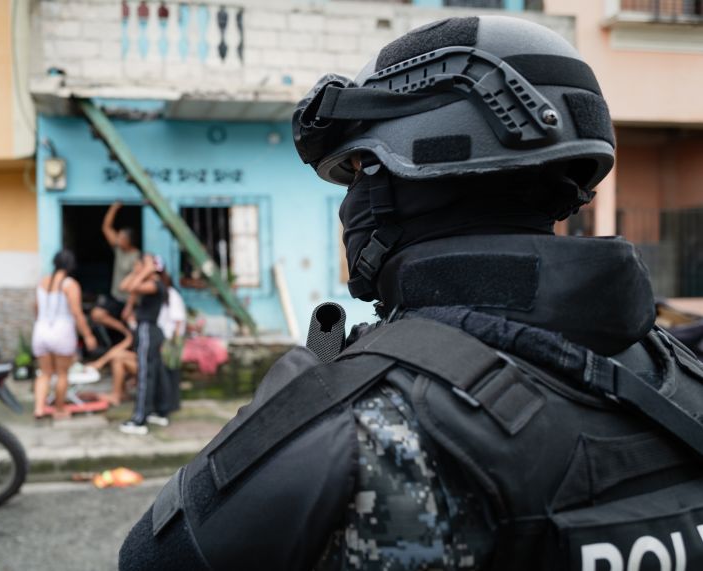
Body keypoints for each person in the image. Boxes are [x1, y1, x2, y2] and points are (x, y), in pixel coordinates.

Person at [119, 16, 703, 570]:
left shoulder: (366, 423)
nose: (350, 205)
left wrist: (304, 385)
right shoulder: (682, 376)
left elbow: (151, 557)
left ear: (416, 168)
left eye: (359, 173)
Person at [32, 250, 97, 419]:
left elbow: (36, 307)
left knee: (44, 373)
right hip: (62, 331)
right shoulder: (70, 284)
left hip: (41, 330)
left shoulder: (42, 281)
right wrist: (88, 335)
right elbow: (77, 312)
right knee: (62, 373)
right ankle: (59, 409)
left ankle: (39, 408)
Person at [118, 254, 168, 435]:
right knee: (152, 373)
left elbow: (131, 286)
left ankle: (139, 420)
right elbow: (123, 286)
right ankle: (156, 410)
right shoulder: (149, 283)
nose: (136, 266)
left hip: (148, 331)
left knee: (145, 375)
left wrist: (146, 270)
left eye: (140, 263)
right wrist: (138, 271)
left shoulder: (155, 284)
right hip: (149, 331)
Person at [91, 201, 140, 338]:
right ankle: (123, 331)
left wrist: (129, 306)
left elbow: (136, 285)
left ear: (129, 241)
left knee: (134, 324)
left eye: (122, 237)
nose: (118, 239)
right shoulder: (119, 250)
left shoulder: (137, 257)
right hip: (116, 298)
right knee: (97, 314)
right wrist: (114, 208)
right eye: (118, 236)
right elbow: (106, 228)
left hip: (130, 300)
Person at [156, 269, 186, 420]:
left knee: (169, 371)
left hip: (172, 339)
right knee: (169, 371)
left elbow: (178, 320)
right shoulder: (164, 295)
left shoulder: (171, 294)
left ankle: (171, 405)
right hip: (168, 338)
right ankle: (171, 404)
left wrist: (171, 342)